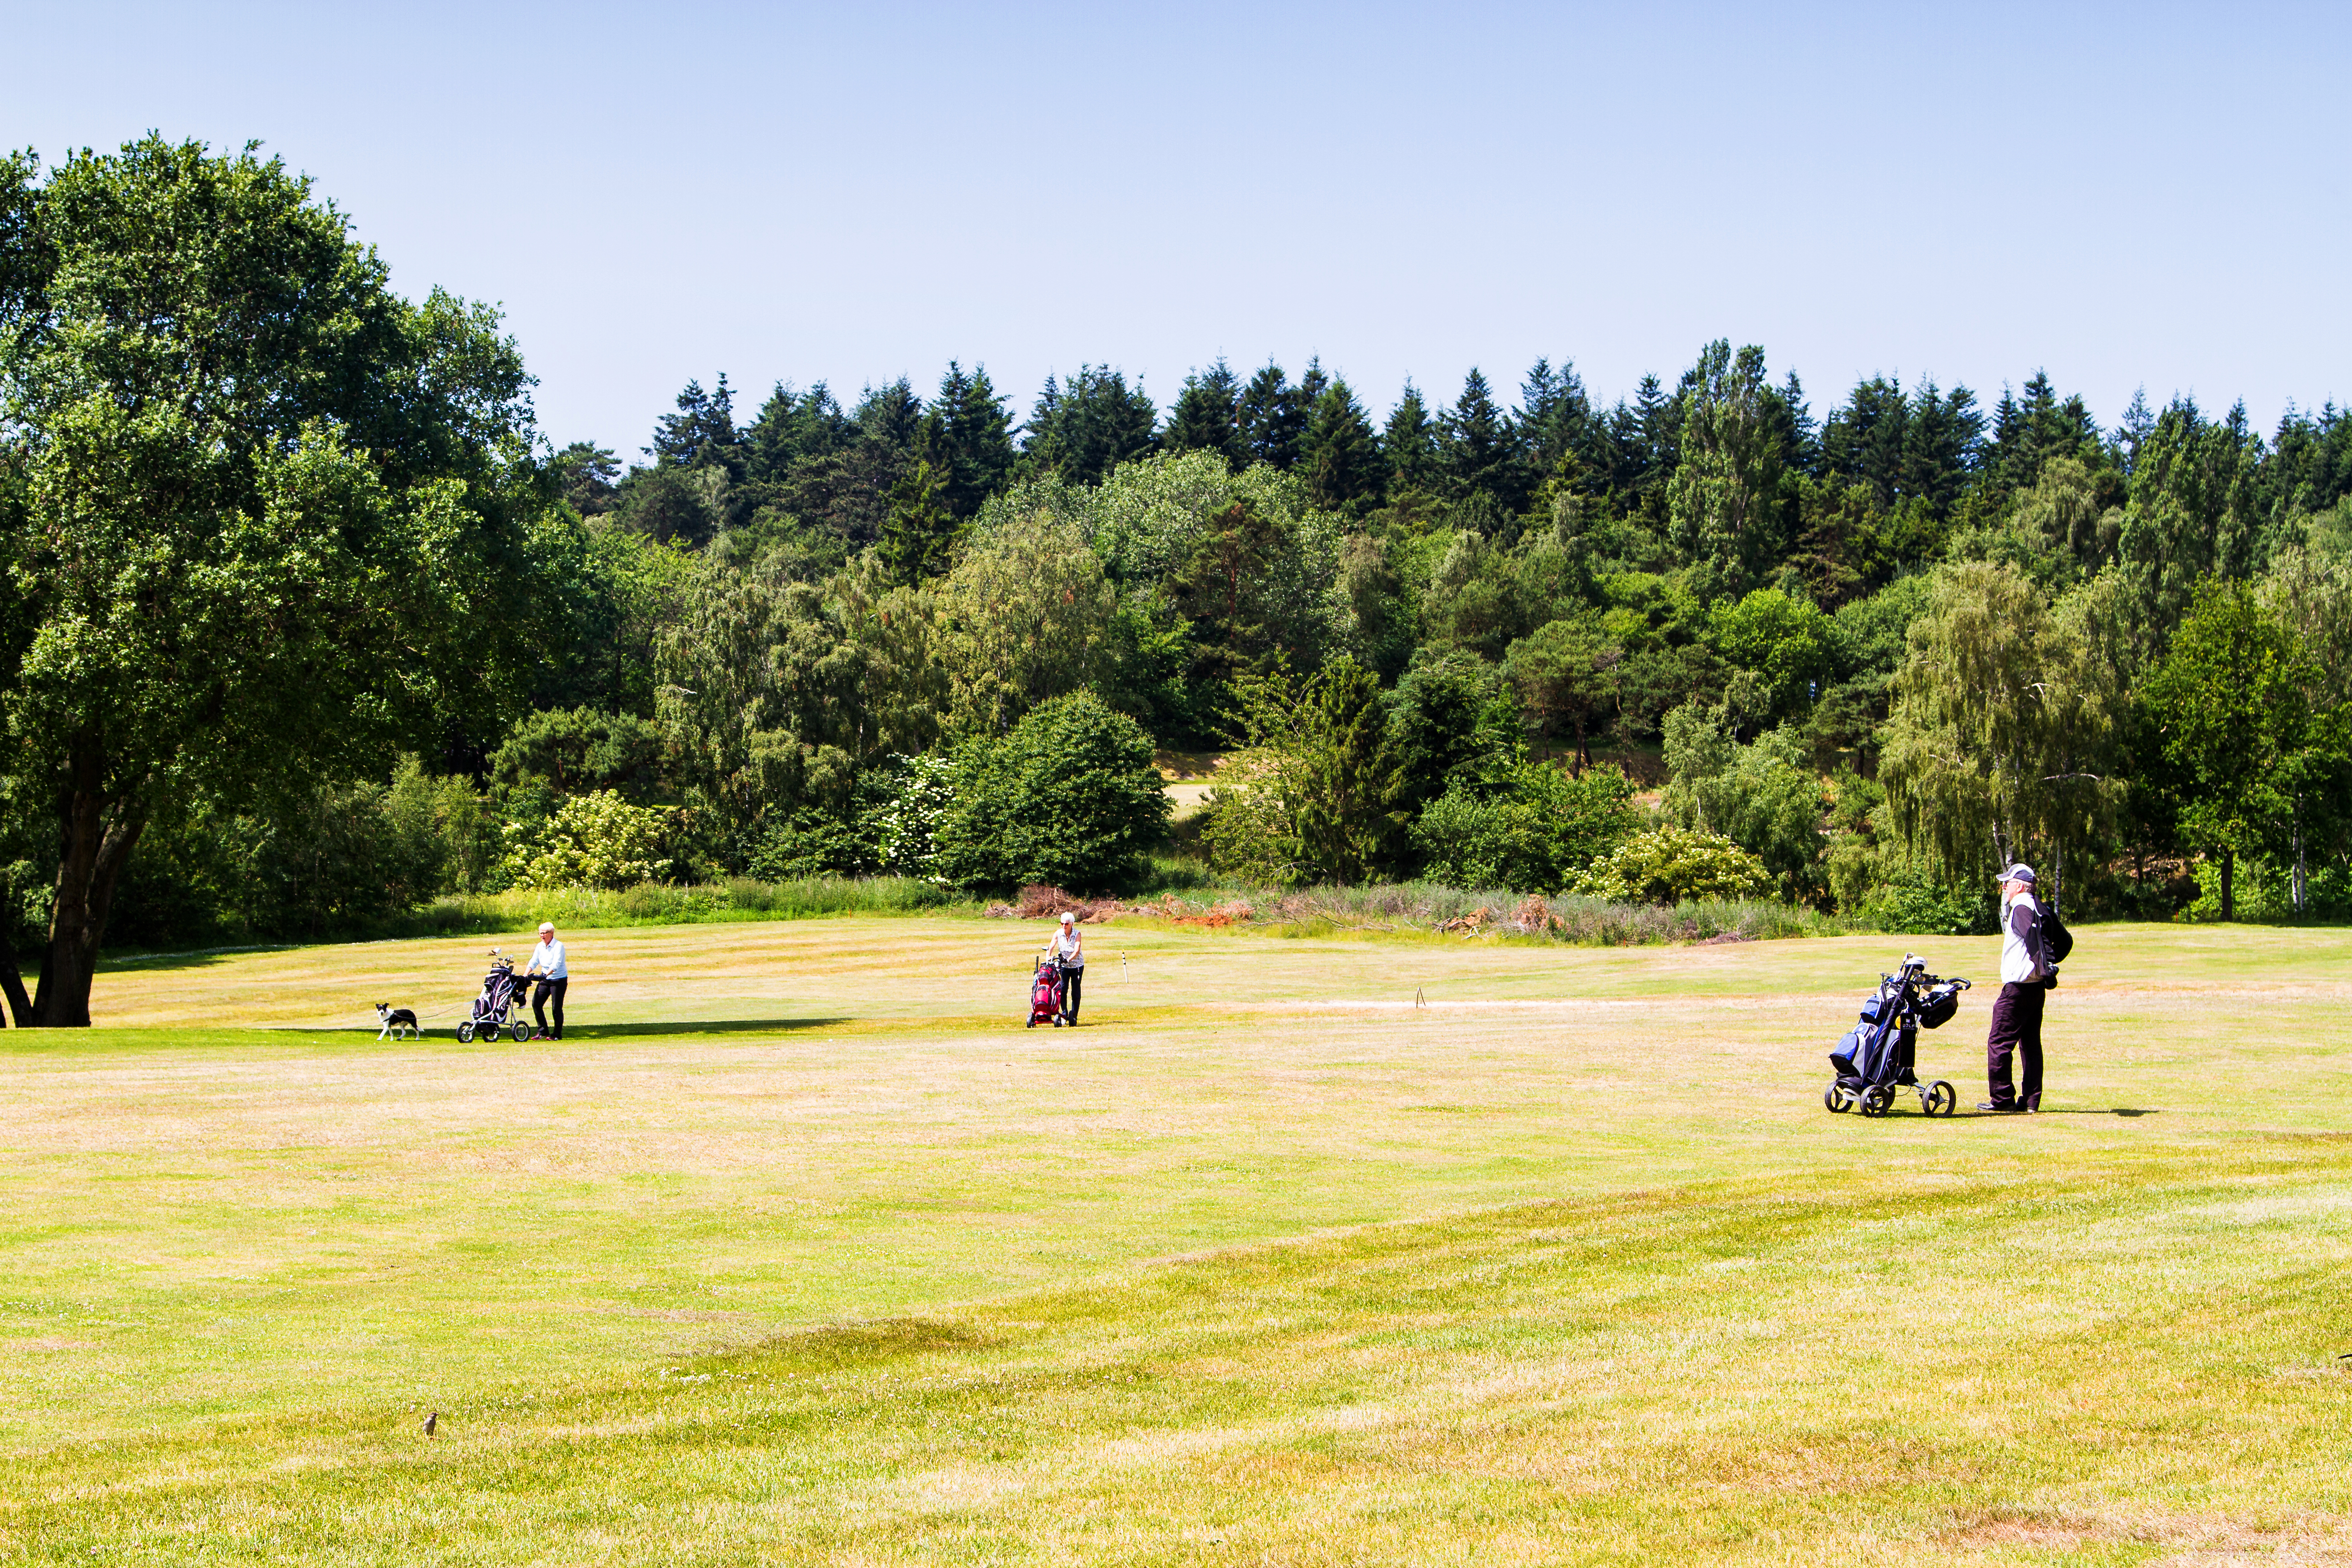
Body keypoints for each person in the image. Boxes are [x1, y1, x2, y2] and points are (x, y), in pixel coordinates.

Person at [1979, 864, 2050, 1113]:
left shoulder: (2021, 907)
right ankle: (2031, 1101)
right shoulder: (2040, 907)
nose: (2004, 887)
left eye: (2007, 883)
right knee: (2031, 1044)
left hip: (2018, 988)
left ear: (2019, 886)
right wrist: (2046, 970)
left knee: (1999, 1042)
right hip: (2036, 987)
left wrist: (2041, 963)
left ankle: (2002, 1099)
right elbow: (2064, 940)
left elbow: (2032, 941)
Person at [524, 921, 568, 1041]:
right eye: (540, 933)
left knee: (556, 1008)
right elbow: (534, 961)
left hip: (558, 980)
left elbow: (556, 964)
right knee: (536, 1004)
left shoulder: (558, 946)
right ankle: (543, 1031)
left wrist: (545, 975)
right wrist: (525, 975)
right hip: (545, 979)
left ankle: (557, 1035)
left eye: (545, 933)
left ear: (552, 933)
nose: (542, 936)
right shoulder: (540, 946)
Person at [1049, 911, 1085, 1024]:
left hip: (1077, 966)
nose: (1064, 926)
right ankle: (1064, 1013)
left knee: (1075, 991)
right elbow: (1051, 947)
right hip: (1064, 966)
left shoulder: (1077, 934)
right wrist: (1048, 959)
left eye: (1067, 924)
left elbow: (1077, 950)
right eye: (1062, 924)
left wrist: (1069, 959)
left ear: (1072, 924)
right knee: (1063, 989)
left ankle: (1074, 1014)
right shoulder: (1058, 933)